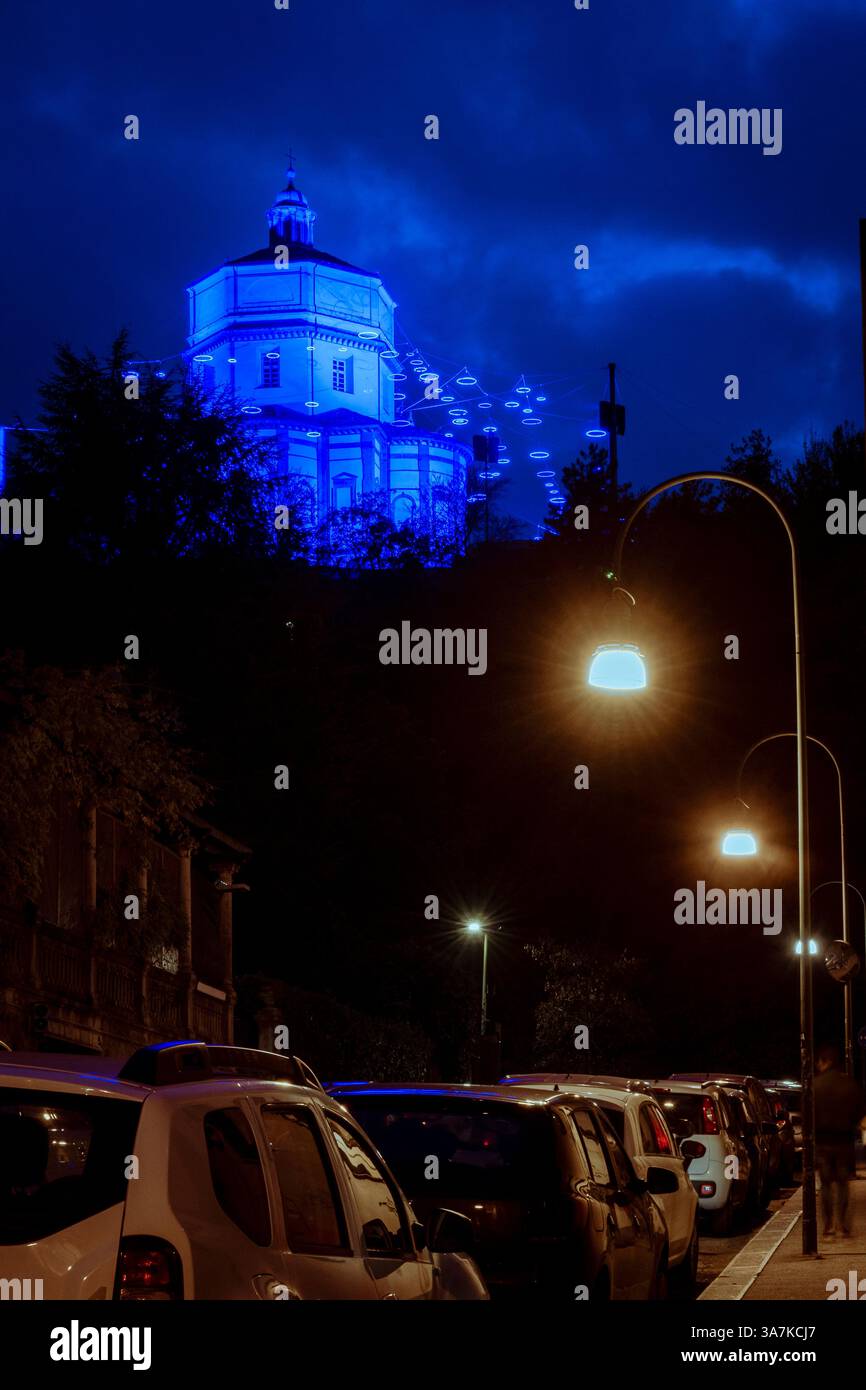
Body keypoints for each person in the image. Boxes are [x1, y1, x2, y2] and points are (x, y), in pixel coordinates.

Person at [813, 1044, 866, 1238]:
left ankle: (828, 1226)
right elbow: (861, 1112)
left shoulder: (815, 1085)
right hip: (844, 1141)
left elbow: (807, 1114)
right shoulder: (850, 1085)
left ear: (824, 1062)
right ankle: (842, 1224)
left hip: (822, 1141)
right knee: (843, 1183)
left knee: (826, 1184)